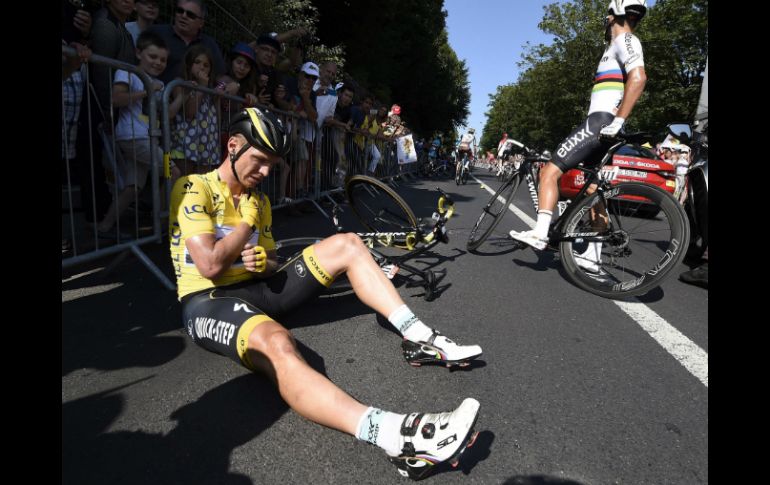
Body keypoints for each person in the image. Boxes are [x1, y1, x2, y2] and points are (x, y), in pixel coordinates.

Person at [168, 106, 483, 480]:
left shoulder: (260, 200)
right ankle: (396, 437)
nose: (265, 172)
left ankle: (419, 336)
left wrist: (261, 262)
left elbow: (270, 260)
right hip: (209, 301)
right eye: (258, 160)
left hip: (258, 289)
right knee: (278, 343)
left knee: (348, 243)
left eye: (272, 164)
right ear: (232, 146)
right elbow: (210, 266)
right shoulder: (193, 187)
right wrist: (247, 224)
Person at [508, 0, 648, 275]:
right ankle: (593, 256)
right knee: (594, 191)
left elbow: (639, 77)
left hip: (600, 122)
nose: (605, 20)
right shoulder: (614, 47)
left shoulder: (626, 40)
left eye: (607, 15)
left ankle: (540, 232)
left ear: (615, 14)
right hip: (603, 124)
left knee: (548, 172)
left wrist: (618, 119)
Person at [96, 31, 183, 237]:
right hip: (134, 138)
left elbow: (167, 114)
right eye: (152, 57)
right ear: (138, 53)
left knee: (133, 187)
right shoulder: (127, 73)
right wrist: (147, 91)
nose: (158, 63)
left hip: (145, 139)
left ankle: (104, 227)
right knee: (175, 173)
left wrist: (182, 95)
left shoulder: (158, 83)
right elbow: (116, 99)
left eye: (162, 59)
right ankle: (160, 222)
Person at [169, 44, 221, 174]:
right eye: (197, 62)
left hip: (207, 144)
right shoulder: (181, 83)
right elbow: (190, 112)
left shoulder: (210, 90)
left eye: (206, 65)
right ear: (188, 64)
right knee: (183, 183)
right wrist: (201, 87)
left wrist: (217, 99)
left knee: (200, 185)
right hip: (186, 142)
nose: (201, 67)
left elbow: (218, 119)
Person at [148, 0, 225, 85]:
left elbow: (220, 75)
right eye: (180, 11)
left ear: (201, 23)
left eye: (190, 15)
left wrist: (233, 84)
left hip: (193, 96)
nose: (183, 16)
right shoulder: (156, 32)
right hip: (153, 94)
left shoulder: (210, 44)